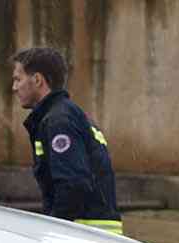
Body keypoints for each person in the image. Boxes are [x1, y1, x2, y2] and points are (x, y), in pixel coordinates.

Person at [11, 47, 120, 229]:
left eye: (18, 79)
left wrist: (53, 228)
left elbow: (73, 184)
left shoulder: (59, 121)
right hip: (92, 230)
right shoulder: (64, 114)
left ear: (37, 80)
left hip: (83, 233)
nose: (14, 88)